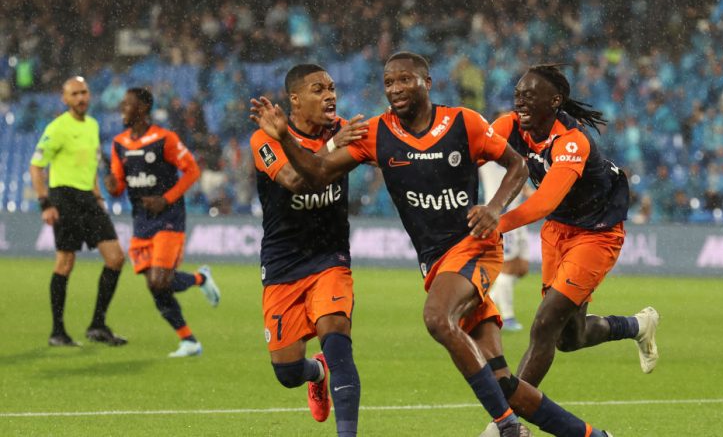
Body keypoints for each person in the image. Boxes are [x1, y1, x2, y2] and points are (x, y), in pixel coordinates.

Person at [252, 52, 613, 437]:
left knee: (437, 318)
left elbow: (518, 166)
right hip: (437, 265)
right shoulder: (377, 133)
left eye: (405, 80)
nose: (395, 89)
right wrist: (285, 140)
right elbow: (316, 173)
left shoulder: (464, 123)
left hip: (475, 248)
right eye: (389, 83)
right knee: (504, 383)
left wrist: (494, 209)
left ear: (427, 82)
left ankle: (508, 429)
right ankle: (591, 435)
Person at [495, 64, 660, 388]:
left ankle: (507, 421)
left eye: (530, 95)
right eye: (517, 95)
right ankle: (638, 326)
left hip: (596, 233)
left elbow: (544, 202)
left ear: (555, 100)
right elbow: (470, 150)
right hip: (558, 231)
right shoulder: (510, 125)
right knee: (569, 337)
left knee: (544, 324)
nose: (520, 102)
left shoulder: (572, 142)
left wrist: (493, 224)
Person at [248, 64, 367, 437]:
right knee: (286, 373)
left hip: (329, 257)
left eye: (332, 87)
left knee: (337, 340)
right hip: (283, 263)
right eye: (318, 90)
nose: (330, 95)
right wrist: (322, 143)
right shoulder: (264, 140)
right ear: (295, 100)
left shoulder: (345, 129)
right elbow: (297, 181)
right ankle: (314, 372)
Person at [104, 88, 221, 358]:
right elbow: (118, 186)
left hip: (168, 218)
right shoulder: (119, 143)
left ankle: (200, 281)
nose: (122, 109)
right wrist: (112, 186)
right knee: (155, 286)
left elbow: (192, 170)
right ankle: (189, 339)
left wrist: (166, 200)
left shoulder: (165, 139)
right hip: (141, 221)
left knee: (159, 281)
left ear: (143, 108)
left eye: (127, 105)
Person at [29, 76, 127, 347]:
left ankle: (98, 324)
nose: (80, 98)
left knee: (116, 258)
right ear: (64, 98)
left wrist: (97, 195)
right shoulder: (57, 127)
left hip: (87, 199)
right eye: (74, 94)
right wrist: (45, 203)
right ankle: (57, 332)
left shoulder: (93, 125)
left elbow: (92, 165)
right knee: (65, 262)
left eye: (84, 92)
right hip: (63, 197)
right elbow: (36, 166)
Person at [479, 160, 532, 331]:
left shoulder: (511, 146)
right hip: (500, 213)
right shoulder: (486, 148)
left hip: (517, 211)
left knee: (521, 268)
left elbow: (516, 170)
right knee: (507, 268)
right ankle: (507, 317)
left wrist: (525, 190)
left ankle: (486, 305)